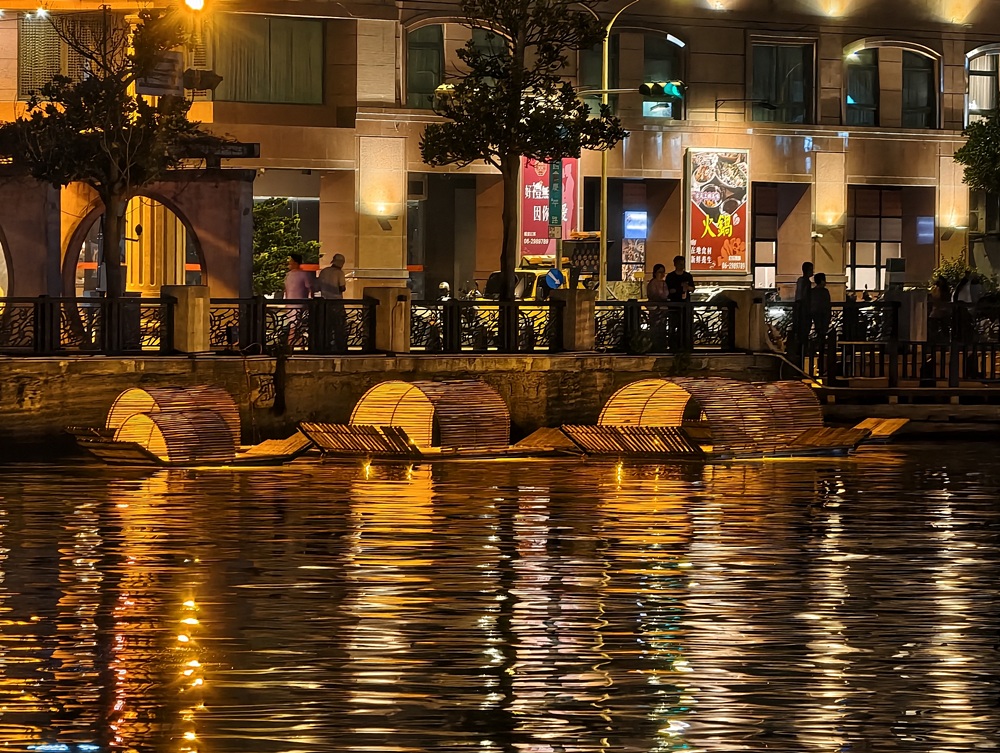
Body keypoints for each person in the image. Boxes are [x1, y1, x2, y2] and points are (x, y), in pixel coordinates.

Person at [318, 253, 348, 352]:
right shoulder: (339, 273)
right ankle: (339, 346)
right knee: (339, 325)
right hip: (337, 302)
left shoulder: (324, 271)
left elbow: (318, 286)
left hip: (324, 302)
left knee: (326, 325)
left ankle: (325, 345)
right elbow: (342, 288)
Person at [283, 253, 314, 346]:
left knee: (295, 325)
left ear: (296, 263)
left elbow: (285, 289)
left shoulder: (288, 275)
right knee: (295, 325)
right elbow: (310, 288)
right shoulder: (303, 274)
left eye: (291, 262)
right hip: (298, 303)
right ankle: (291, 345)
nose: (289, 264)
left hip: (292, 303)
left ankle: (294, 344)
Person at [810, 272, 833, 375]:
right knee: (823, 338)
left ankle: (817, 363)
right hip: (823, 317)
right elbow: (827, 306)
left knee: (819, 336)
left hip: (816, 317)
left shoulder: (812, 292)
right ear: (822, 281)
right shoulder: (824, 292)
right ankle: (822, 366)